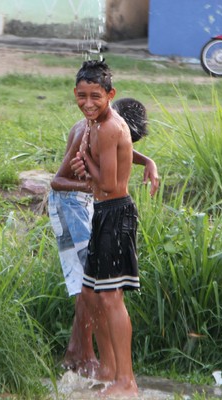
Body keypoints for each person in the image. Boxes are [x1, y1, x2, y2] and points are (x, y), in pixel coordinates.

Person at [48, 97, 158, 378]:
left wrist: (147, 160)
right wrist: (93, 183)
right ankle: (84, 354)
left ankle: (78, 351)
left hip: (90, 204)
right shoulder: (87, 130)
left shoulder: (106, 127)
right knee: (89, 284)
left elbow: (112, 148)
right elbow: (58, 181)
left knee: (90, 283)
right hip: (70, 203)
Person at [69, 59, 140, 397]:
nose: (88, 103)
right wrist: (89, 166)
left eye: (95, 96)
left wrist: (87, 165)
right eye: (82, 96)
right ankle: (110, 369)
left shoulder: (111, 126)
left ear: (110, 94)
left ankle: (127, 381)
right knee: (91, 293)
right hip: (102, 213)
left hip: (116, 212)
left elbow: (110, 184)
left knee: (111, 297)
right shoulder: (93, 124)